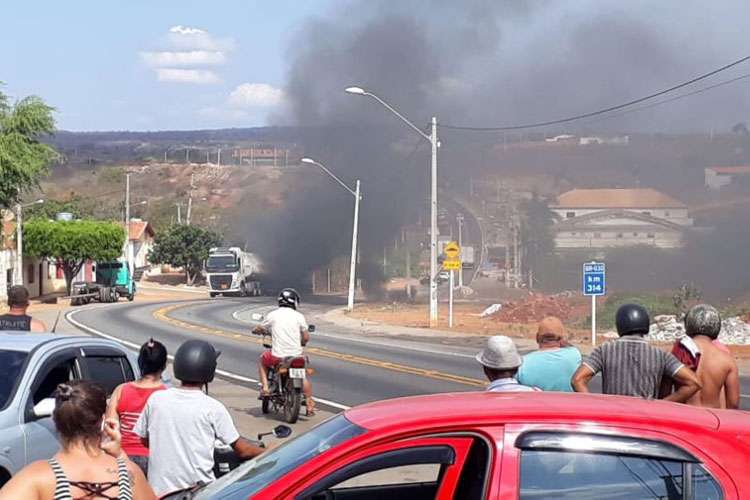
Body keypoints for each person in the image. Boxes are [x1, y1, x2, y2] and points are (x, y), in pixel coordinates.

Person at [134, 339, 264, 497]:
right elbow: (243, 451)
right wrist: (269, 450)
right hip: (199, 493)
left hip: (158, 494)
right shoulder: (213, 408)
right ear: (209, 370)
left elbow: (145, 440)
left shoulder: (156, 399)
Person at [0, 380, 155, 500]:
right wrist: (119, 454)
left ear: (54, 419)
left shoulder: (39, 476)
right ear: (102, 421)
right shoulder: (128, 474)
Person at [571, 303, 701, 401]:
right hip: (645, 421)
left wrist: (597, 406)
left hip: (615, 419)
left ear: (619, 325)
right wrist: (663, 404)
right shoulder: (660, 355)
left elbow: (577, 380)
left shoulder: (604, 351)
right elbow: (693, 383)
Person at [106, 339, 168, 477]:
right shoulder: (166, 394)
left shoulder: (121, 390)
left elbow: (110, 427)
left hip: (124, 457)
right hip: (154, 459)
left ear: (140, 362)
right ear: (164, 366)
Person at [662, 304, 740, 409]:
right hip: (711, 421)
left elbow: (663, 395)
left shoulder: (674, 353)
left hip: (682, 419)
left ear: (688, 325)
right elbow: (733, 404)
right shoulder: (727, 361)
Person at [252, 287, 314, 415]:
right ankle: (309, 402)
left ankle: (265, 388)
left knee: (262, 361)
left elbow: (259, 328)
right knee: (301, 375)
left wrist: (257, 330)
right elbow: (306, 337)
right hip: (296, 355)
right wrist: (302, 342)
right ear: (295, 302)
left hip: (278, 356)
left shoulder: (273, 315)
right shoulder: (299, 317)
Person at [517, 317, 582, 392]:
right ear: (561, 339)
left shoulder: (523, 363)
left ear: (537, 338)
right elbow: (569, 346)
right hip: (568, 403)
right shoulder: (574, 355)